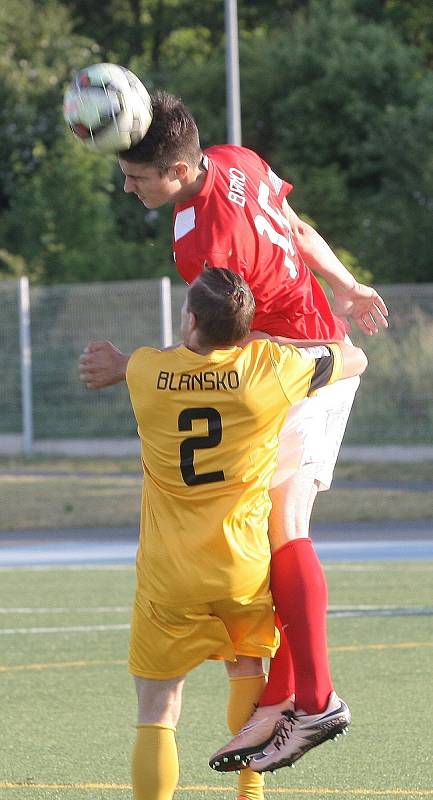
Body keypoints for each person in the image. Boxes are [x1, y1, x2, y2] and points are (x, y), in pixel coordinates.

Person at [79, 89, 388, 776]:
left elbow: (215, 342)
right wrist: (346, 284)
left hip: (298, 365)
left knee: (283, 526)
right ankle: (280, 699)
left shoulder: (199, 240)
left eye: (136, 178)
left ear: (178, 171)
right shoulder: (235, 158)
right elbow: (295, 225)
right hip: (300, 352)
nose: (129, 189)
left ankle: (313, 700)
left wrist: (137, 371)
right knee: (265, 527)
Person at [83, 267, 367, 800]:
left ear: (190, 319)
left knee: (158, 710)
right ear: (247, 326)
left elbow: (132, 365)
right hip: (240, 566)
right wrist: (281, 342)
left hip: (170, 576)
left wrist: (119, 363)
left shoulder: (149, 370)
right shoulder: (271, 368)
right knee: (246, 672)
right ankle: (248, 794)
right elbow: (355, 359)